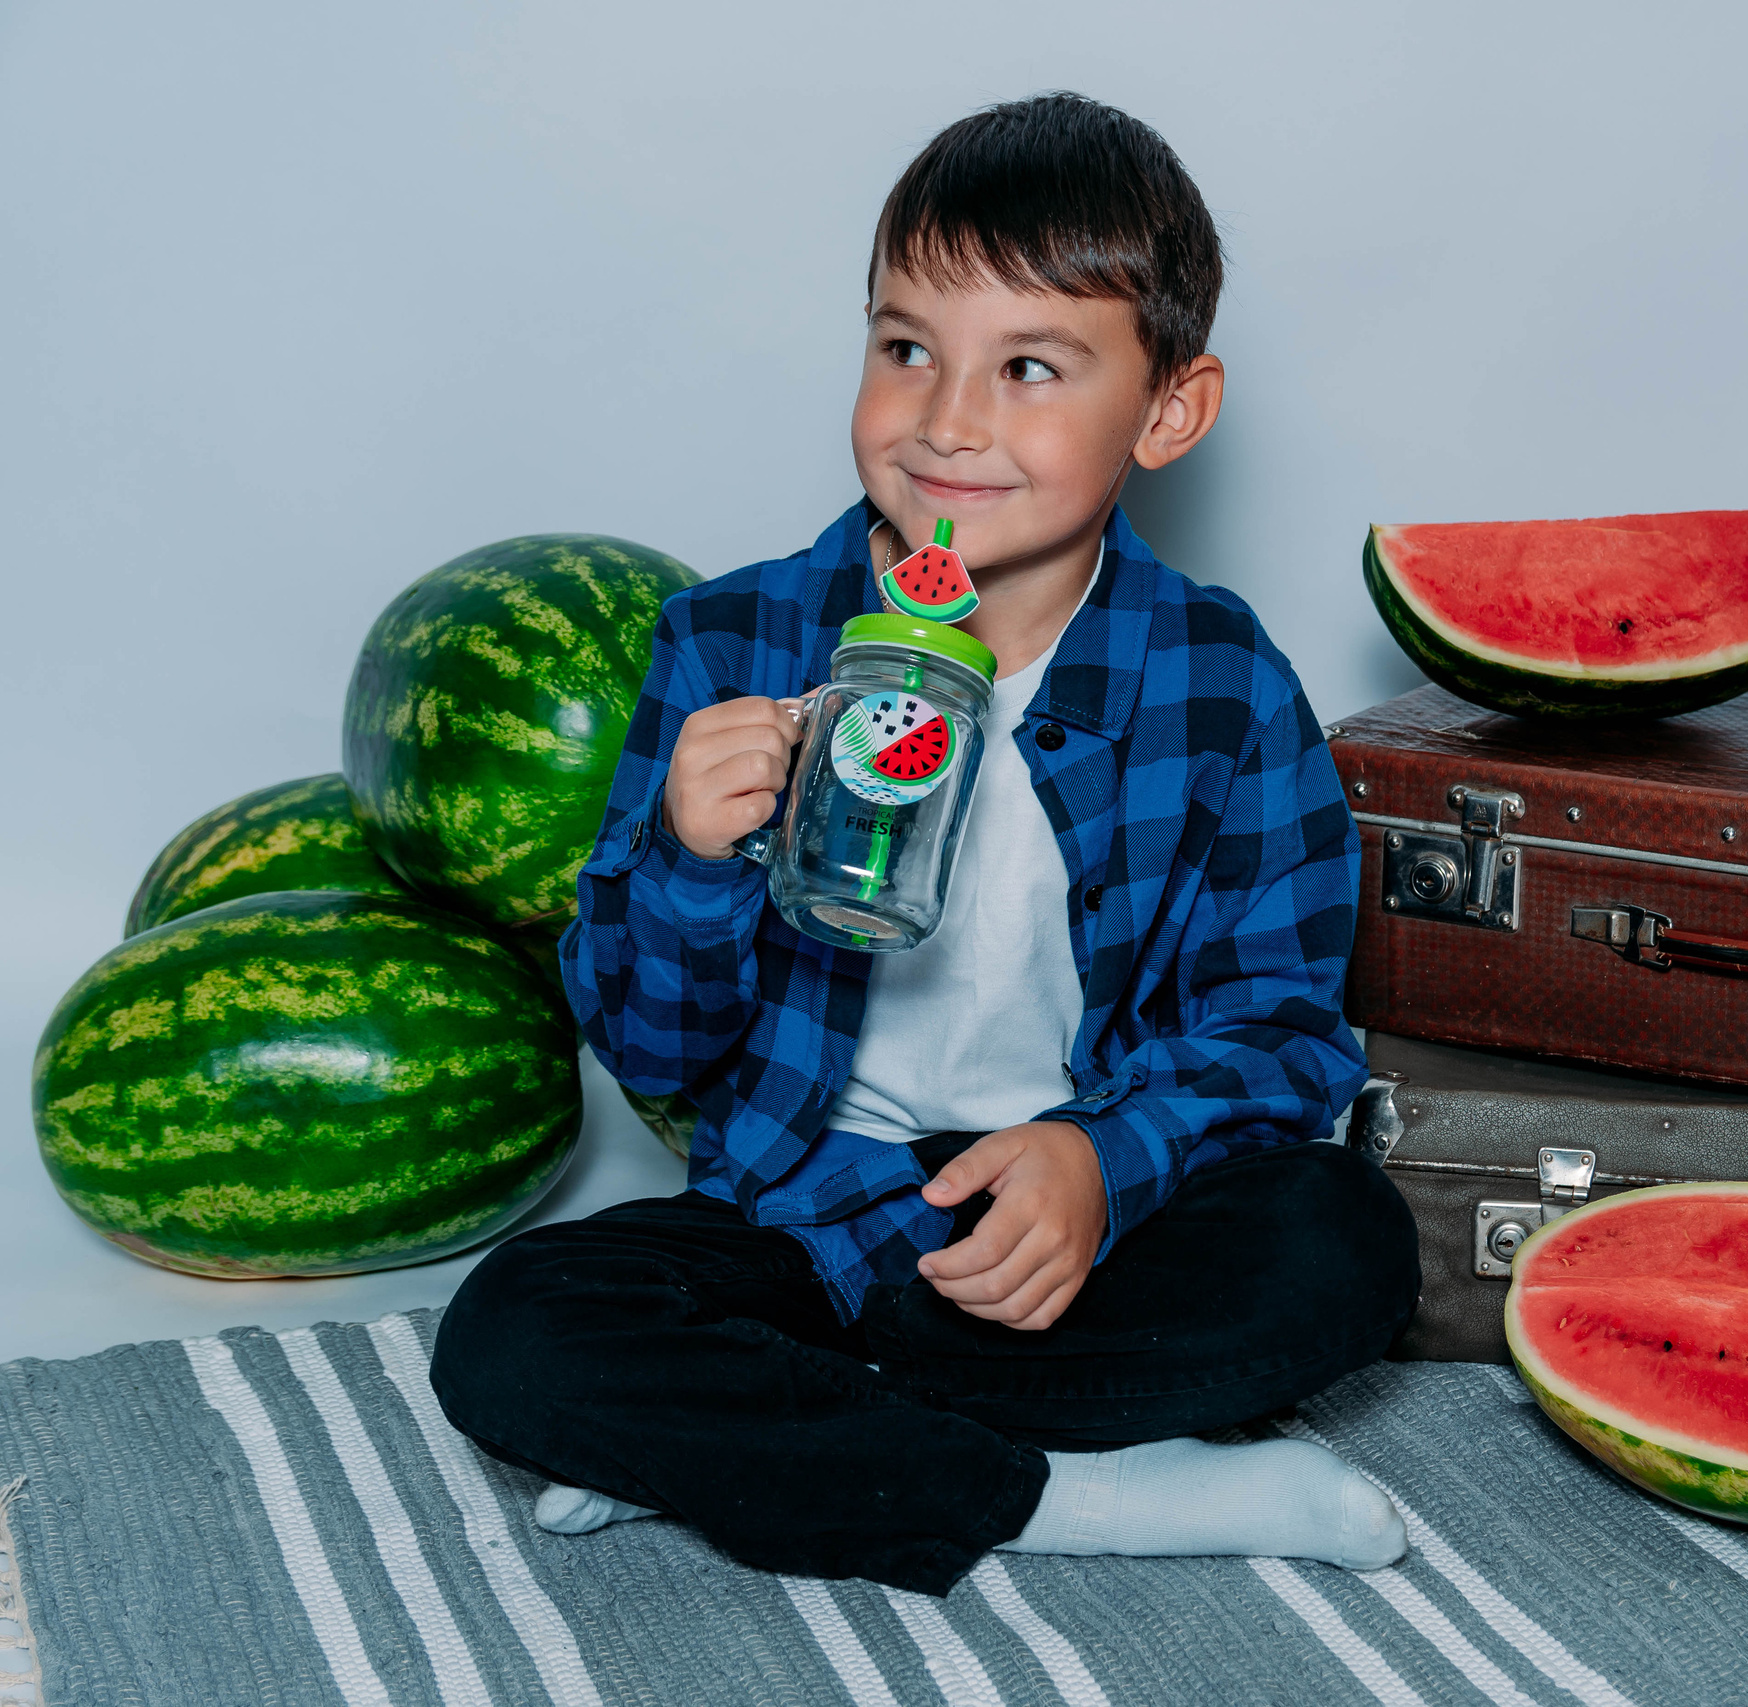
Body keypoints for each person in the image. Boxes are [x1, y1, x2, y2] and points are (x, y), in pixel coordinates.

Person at [429, 92, 1418, 1596]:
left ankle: (750, 1446)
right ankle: (1089, 1495)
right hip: (804, 1213)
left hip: (1066, 1234)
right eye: (906, 350)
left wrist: (1103, 1159)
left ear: (1167, 412)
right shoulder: (733, 640)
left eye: (1029, 367)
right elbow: (653, 1048)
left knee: (1343, 1244)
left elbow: (1278, 1040)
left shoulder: (1219, 683)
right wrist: (694, 864)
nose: (947, 421)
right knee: (516, 1332)